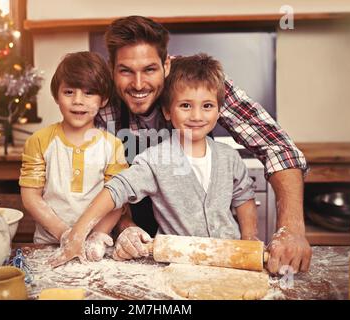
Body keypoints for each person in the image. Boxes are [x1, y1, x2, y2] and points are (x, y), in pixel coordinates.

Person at [97, 15, 311, 275]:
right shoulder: (98, 97)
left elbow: (278, 147)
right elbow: (101, 182)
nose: (139, 84)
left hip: (213, 252)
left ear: (166, 65)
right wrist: (125, 226)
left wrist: (291, 229)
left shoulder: (198, 81)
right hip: (142, 250)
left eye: (150, 70)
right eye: (126, 71)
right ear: (112, 69)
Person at [49, 53, 260, 267]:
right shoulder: (154, 160)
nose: (197, 116)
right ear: (167, 112)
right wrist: (78, 233)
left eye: (207, 106)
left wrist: (249, 239)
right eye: (185, 106)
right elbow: (116, 190)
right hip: (179, 263)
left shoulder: (229, 157)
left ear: (218, 112)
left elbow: (244, 198)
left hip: (231, 260)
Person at [19, 52, 128, 261]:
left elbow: (117, 201)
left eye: (89, 93)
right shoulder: (39, 141)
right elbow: (31, 198)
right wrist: (66, 235)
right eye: (69, 92)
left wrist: (97, 236)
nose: (78, 101)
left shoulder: (112, 146)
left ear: (103, 99)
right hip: (48, 246)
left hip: (94, 249)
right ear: (56, 97)